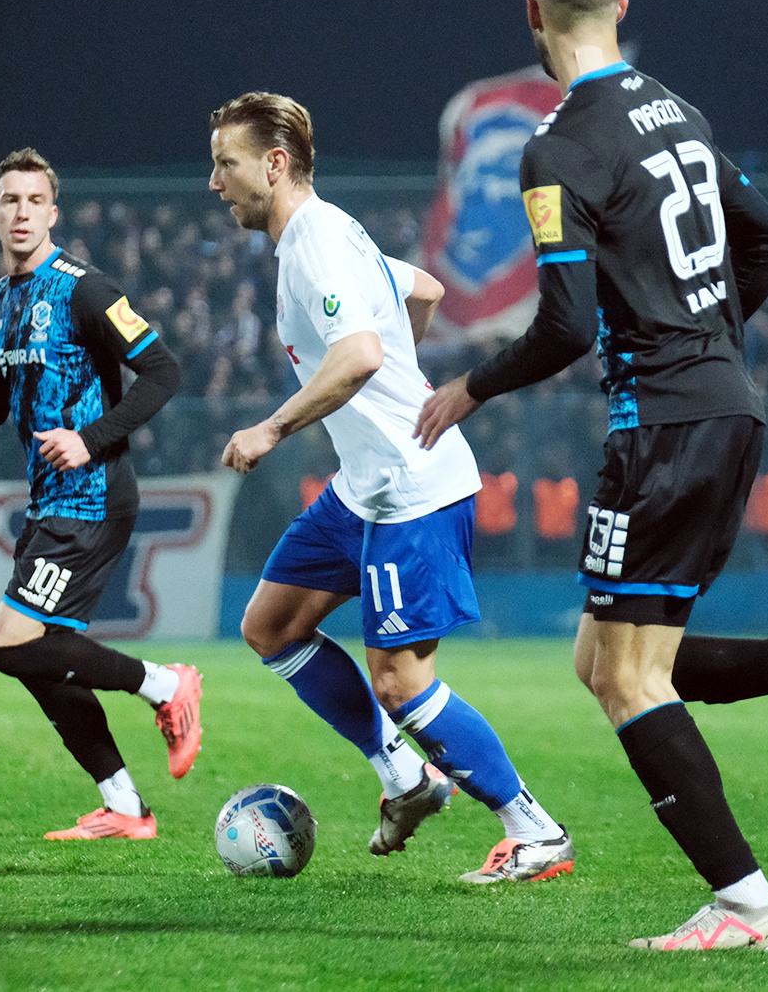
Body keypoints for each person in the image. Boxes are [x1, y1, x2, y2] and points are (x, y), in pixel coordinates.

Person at [417, 0, 768, 950]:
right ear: (622, 0)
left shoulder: (558, 146)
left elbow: (562, 325)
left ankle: (747, 905)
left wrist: (468, 387)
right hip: (725, 405)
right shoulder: (678, 113)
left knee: (623, 675)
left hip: (659, 420)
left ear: (531, 12)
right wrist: (709, 335)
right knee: (604, 656)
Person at [210, 92, 574, 883]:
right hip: (366, 483)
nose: (216, 181)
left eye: (226, 164)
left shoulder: (314, 244)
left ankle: (534, 830)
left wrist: (271, 429)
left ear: (274, 165)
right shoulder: (327, 234)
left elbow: (362, 357)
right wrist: (392, 387)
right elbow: (426, 295)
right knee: (271, 625)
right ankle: (406, 775)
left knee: (401, 681)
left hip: (413, 486)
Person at [0, 148, 200, 841]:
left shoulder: (85, 290)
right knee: (40, 657)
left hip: (92, 497)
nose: (22, 212)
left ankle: (166, 685)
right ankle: (124, 809)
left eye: (35, 201)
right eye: (10, 200)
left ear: (53, 214)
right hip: (50, 502)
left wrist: (89, 438)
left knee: (9, 642)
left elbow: (162, 371)